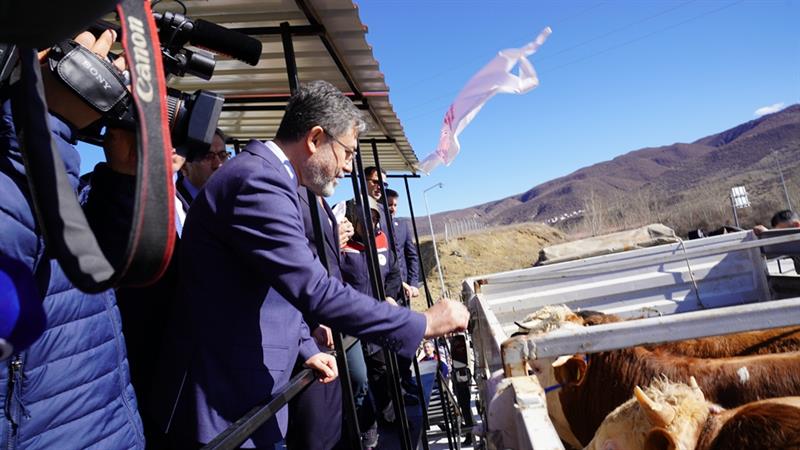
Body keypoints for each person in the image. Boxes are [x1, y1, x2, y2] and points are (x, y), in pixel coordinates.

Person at [156, 80, 468, 448]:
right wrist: (422, 324)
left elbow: (274, 285)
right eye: (347, 153)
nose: (347, 168)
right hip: (223, 399)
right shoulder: (258, 181)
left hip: (247, 387)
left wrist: (304, 346)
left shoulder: (272, 178)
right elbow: (314, 289)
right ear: (315, 138)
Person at [0, 30, 145, 449]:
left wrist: (122, 177)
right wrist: (43, 118)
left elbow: (91, 267)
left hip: (106, 420)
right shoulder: (19, 153)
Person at [176, 128, 230, 205]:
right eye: (208, 156)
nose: (219, 164)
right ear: (184, 166)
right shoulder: (169, 204)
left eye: (223, 155)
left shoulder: (233, 199)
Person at [386, 188, 420, 301]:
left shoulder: (402, 226)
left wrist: (413, 283)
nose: (393, 209)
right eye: (389, 205)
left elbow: (412, 256)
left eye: (395, 205)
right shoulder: (376, 227)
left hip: (404, 292)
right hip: (386, 291)